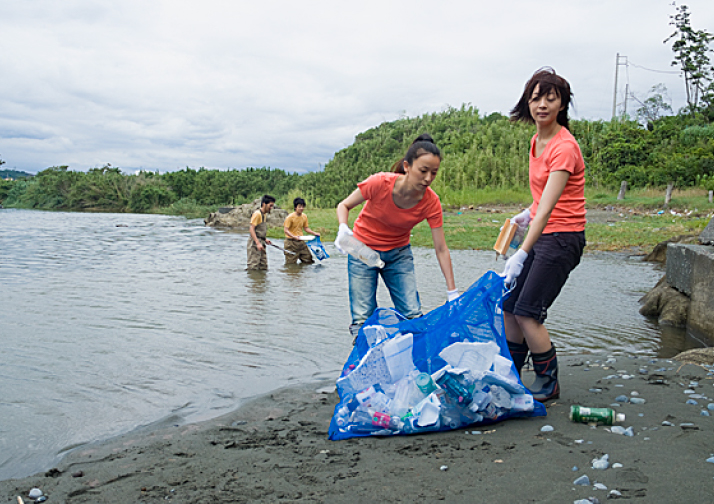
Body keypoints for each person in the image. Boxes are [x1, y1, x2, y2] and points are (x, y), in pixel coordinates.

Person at [502, 68, 587, 401]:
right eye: (536, 97)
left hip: (562, 238)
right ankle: (512, 371)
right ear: (528, 101)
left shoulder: (564, 146)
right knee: (509, 306)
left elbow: (551, 209)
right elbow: (541, 200)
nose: (542, 105)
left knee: (528, 312)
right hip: (544, 232)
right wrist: (525, 214)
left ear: (562, 104)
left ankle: (548, 382)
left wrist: (520, 254)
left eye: (551, 98)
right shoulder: (537, 141)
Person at [335, 133, 458, 341]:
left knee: (412, 313)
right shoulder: (379, 183)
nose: (428, 178)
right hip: (361, 249)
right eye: (423, 171)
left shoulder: (431, 202)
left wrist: (452, 291)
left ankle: (414, 363)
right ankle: (367, 366)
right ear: (407, 166)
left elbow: (441, 248)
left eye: (434, 173)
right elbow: (344, 205)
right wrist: (343, 228)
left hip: (398, 254)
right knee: (362, 318)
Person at [283, 197, 321, 264]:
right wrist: (294, 236)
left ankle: (303, 273)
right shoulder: (290, 217)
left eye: (303, 207)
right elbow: (286, 230)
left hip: (301, 241)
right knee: (291, 264)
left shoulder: (304, 216)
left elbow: (306, 228)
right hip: (291, 243)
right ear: (295, 207)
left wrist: (314, 233)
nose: (301, 208)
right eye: (299, 207)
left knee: (308, 259)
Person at [247, 195, 275, 270]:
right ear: (264, 204)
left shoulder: (264, 214)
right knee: (253, 266)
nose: (271, 208)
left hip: (261, 241)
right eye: (270, 205)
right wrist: (257, 243)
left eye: (272, 206)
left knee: (263, 266)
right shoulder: (257, 214)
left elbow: (259, 230)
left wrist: (265, 239)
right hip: (254, 243)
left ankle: (261, 281)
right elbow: (251, 229)